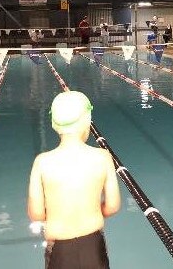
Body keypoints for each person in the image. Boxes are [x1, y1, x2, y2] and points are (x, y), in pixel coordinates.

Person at [28, 91, 121, 269]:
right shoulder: (103, 157)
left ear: (55, 123)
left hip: (59, 250)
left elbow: (37, 214)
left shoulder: (42, 162)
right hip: (94, 246)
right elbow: (112, 206)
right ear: (87, 120)